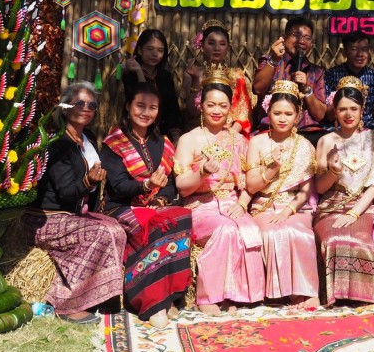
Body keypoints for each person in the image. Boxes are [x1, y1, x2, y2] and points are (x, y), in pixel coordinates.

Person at [22, 82, 126, 324]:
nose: (86, 108)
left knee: (116, 229)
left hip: (72, 215)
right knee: (100, 232)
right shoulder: (56, 143)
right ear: (65, 107)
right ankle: (67, 305)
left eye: (92, 105)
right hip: (44, 219)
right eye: (79, 103)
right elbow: (65, 193)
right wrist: (88, 180)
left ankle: (101, 298)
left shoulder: (86, 139)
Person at [100, 83, 193, 328]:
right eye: (140, 105)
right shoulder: (114, 143)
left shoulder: (162, 142)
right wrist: (146, 185)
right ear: (128, 106)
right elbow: (118, 186)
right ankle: (152, 303)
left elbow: (170, 184)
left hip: (153, 205)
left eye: (152, 108)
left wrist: (160, 200)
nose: (146, 112)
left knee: (180, 217)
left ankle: (171, 296)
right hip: (121, 206)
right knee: (153, 226)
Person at [174, 64, 265, 314]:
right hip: (199, 206)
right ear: (200, 105)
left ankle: (238, 295)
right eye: (211, 105)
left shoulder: (239, 141)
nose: (217, 111)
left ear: (230, 108)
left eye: (223, 106)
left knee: (250, 230)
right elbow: (182, 187)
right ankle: (209, 297)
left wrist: (243, 203)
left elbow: (250, 181)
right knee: (226, 229)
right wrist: (201, 173)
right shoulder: (189, 139)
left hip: (233, 203)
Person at [313, 76, 374, 306]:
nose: (348, 114)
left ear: (362, 110)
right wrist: (333, 171)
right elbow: (319, 188)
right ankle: (335, 294)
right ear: (335, 111)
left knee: (358, 238)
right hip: (330, 206)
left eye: (353, 109)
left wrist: (354, 213)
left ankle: (365, 294)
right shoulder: (325, 141)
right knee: (333, 238)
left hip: (361, 205)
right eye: (342, 109)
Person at [246, 80, 320, 308]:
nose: (282, 118)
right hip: (264, 205)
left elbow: (306, 191)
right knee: (271, 233)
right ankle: (279, 293)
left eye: (288, 114)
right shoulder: (257, 142)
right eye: (277, 113)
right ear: (268, 112)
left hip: (295, 206)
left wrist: (288, 211)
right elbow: (251, 186)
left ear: (298, 116)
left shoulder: (304, 145)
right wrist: (272, 168)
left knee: (299, 233)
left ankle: (305, 291)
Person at [251, 16, 328, 145]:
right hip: (271, 130)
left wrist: (306, 89)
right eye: (296, 35)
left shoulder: (316, 72)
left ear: (311, 44)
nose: (301, 41)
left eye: (307, 38)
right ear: (284, 37)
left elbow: (320, 115)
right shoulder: (270, 61)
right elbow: (258, 89)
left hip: (307, 133)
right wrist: (273, 61)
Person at [183, 20, 252, 136]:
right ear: (202, 46)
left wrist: (228, 136)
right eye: (211, 43)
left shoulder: (237, 75)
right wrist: (196, 80)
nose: (217, 48)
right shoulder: (193, 73)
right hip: (200, 133)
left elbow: (243, 114)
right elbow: (191, 112)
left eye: (222, 44)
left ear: (228, 48)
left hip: (230, 134)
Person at [123, 29, 183, 144]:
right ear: (140, 50)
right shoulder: (130, 75)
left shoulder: (165, 76)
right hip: (136, 132)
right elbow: (142, 98)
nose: (155, 54)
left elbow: (172, 109)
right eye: (150, 49)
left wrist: (175, 135)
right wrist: (139, 72)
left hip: (163, 134)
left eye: (160, 50)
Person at [325, 31, 374, 133]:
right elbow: (328, 115)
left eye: (364, 49)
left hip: (368, 127)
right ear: (344, 52)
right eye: (354, 49)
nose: (360, 54)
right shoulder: (332, 75)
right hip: (338, 128)